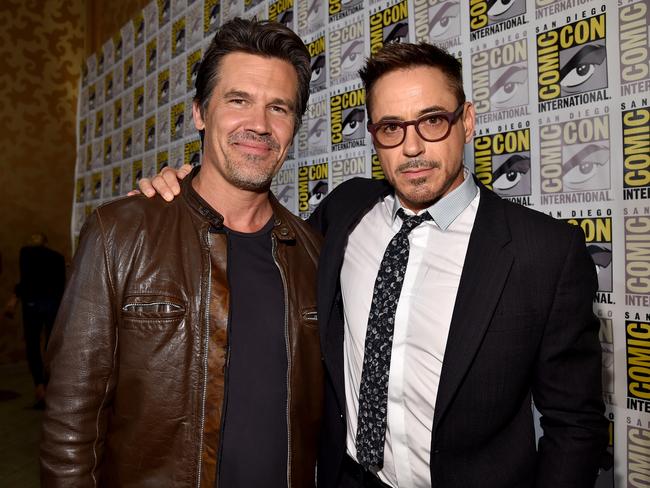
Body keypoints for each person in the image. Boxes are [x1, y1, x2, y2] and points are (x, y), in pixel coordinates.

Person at [139, 42, 608, 487]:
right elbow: (252, 229)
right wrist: (184, 190)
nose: (413, 148)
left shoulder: (544, 251)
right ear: (374, 137)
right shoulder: (346, 212)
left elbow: (575, 425)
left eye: (432, 121)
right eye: (391, 128)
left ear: (466, 121)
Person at [41, 19, 323, 488]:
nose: (259, 124)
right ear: (199, 113)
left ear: (294, 126)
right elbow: (70, 424)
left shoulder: (314, 254)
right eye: (238, 101)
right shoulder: (120, 234)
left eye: (279, 107)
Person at [4, 232, 65, 408]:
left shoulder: (26, 254)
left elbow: (25, 280)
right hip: (52, 303)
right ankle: (48, 383)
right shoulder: (57, 257)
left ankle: (39, 385)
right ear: (46, 243)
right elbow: (61, 286)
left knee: (32, 344)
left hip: (32, 304)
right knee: (50, 345)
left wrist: (14, 298)